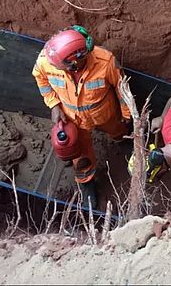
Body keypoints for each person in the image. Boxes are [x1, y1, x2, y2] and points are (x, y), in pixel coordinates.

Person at [32, 25, 131, 208]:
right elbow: (40, 77)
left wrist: (126, 113)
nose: (53, 67)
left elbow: (121, 87)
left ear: (75, 62)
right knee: (81, 154)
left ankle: (121, 139)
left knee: (117, 128)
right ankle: (86, 183)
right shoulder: (48, 59)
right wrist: (54, 105)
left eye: (60, 67)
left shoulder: (105, 62)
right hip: (73, 119)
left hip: (104, 112)